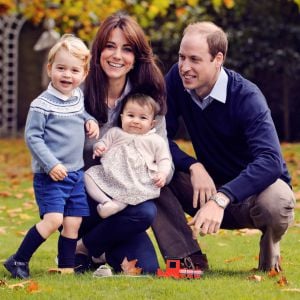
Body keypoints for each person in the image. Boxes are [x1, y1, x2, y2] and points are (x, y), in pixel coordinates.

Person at [152, 21, 295, 272]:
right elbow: (156, 137)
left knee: (278, 200)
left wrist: (222, 198)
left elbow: (271, 161)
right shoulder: (176, 79)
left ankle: (269, 257)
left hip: (251, 197)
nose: (185, 67)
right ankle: (188, 259)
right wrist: (193, 165)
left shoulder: (247, 97)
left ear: (218, 59)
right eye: (181, 57)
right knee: (150, 169)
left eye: (194, 59)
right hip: (205, 189)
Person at [75, 12, 172, 275]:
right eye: (110, 46)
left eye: (126, 49)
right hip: (82, 198)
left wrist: (155, 174)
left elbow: (163, 154)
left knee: (147, 265)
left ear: (135, 58)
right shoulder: (78, 92)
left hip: (126, 202)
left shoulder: (147, 100)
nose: (117, 56)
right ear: (98, 51)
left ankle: (86, 248)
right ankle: (89, 243)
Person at [3, 34, 99, 279]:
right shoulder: (41, 105)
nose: (67, 75)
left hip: (75, 174)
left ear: (84, 74)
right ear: (50, 69)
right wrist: (51, 163)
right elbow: (33, 137)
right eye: (61, 68)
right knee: (54, 219)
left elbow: (81, 114)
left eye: (74, 70)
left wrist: (90, 121)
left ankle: (66, 268)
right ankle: (18, 260)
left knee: (73, 223)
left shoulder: (77, 97)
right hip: (51, 175)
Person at [85, 93, 173, 219]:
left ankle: (117, 205)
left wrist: (162, 174)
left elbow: (164, 159)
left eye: (143, 118)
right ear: (122, 118)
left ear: (152, 124)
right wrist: (99, 147)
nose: (135, 121)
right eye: (131, 116)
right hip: (111, 174)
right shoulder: (115, 133)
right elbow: (102, 143)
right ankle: (105, 202)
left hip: (136, 179)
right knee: (88, 175)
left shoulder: (155, 140)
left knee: (131, 191)